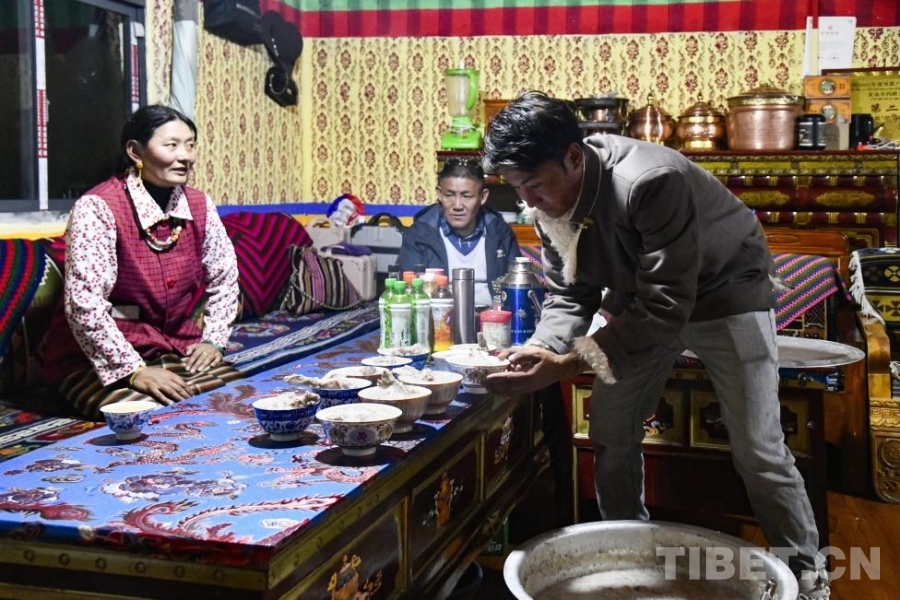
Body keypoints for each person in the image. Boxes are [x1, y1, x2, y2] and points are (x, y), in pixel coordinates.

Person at [481, 91, 829, 599]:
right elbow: (570, 294)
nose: (528, 201)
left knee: (759, 448)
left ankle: (808, 575)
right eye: (516, 188)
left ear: (573, 157)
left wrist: (569, 362)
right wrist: (541, 348)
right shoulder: (546, 205)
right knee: (609, 429)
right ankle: (628, 559)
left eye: (533, 185)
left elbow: (667, 307)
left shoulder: (649, 181)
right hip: (640, 302)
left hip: (726, 293)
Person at [43, 104, 241, 421]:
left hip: (171, 346)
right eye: (171, 145)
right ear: (135, 151)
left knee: (237, 399)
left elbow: (224, 278)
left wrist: (213, 341)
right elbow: (84, 303)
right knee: (152, 418)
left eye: (190, 145)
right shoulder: (97, 207)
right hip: (96, 358)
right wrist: (133, 371)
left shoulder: (199, 205)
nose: (185, 156)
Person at [396, 157, 519, 305]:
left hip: (493, 316)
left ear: (483, 196)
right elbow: (405, 293)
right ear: (439, 194)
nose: (457, 206)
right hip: (438, 316)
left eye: (467, 196)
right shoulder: (419, 235)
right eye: (449, 195)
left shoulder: (500, 232)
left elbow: (518, 286)